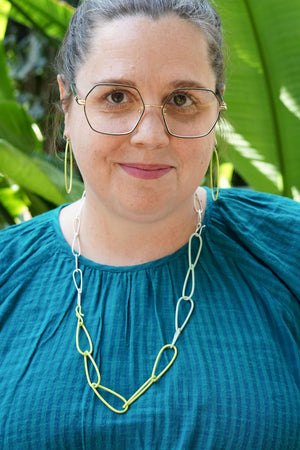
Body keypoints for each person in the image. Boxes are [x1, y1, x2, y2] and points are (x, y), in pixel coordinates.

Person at [0, 0, 299, 448]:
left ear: (217, 109)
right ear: (67, 102)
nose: (150, 136)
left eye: (181, 100)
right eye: (116, 97)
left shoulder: (287, 250)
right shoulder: (9, 274)